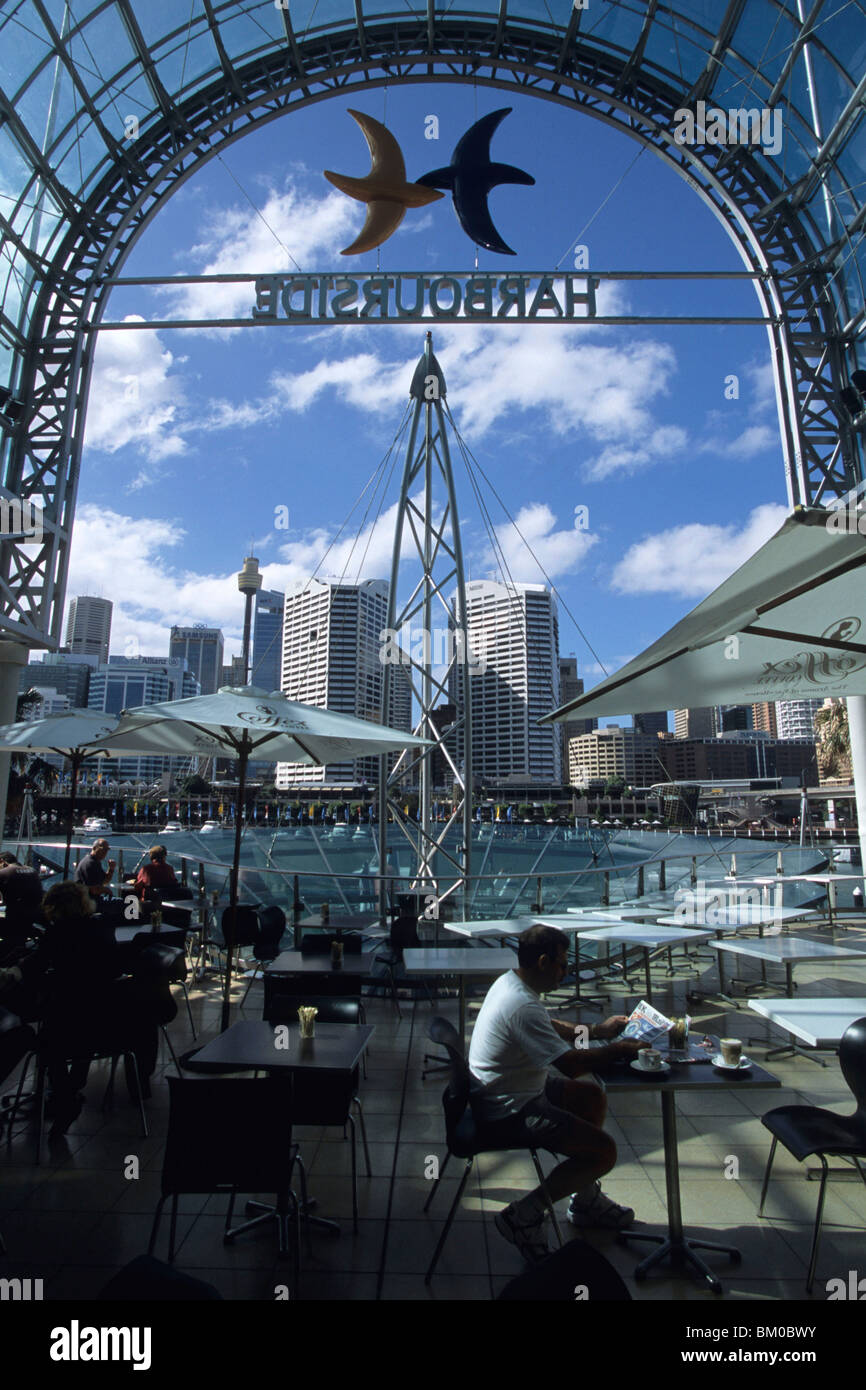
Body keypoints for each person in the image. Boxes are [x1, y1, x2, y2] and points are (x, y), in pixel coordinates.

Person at [468, 922, 648, 1262]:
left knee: (591, 1098)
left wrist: (596, 1031)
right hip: (508, 1108)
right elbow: (572, 1065)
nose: (566, 971)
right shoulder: (522, 1005)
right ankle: (524, 1215)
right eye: (563, 964)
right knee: (604, 1152)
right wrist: (620, 1049)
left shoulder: (511, 984)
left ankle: (585, 1201)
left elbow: (549, 1028)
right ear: (542, 963)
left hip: (509, 1086)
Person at [0, 851, 43, 954]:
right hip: (34, 917)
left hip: (14, 919)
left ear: (2, 862)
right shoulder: (32, 871)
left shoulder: (4, 873)